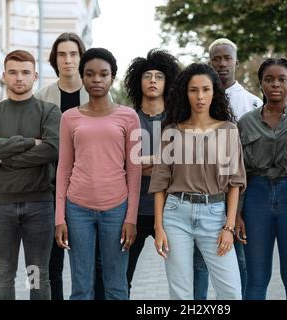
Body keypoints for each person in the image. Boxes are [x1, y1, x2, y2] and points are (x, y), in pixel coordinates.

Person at [149, 63, 246, 300]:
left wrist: (229, 227)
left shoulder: (228, 131)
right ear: (186, 93)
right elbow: (160, 183)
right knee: (180, 292)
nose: (200, 96)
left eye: (205, 89)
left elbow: (235, 183)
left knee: (231, 291)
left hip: (214, 215)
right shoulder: (171, 131)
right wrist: (159, 227)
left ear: (214, 92)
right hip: (175, 214)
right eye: (193, 90)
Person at [54, 48, 142, 300]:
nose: (96, 80)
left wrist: (131, 218)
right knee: (82, 287)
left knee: (116, 286)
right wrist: (60, 217)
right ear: (82, 77)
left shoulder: (129, 117)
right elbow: (64, 168)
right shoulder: (69, 118)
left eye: (103, 74)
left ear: (112, 77)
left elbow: (134, 172)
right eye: (90, 74)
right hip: (77, 209)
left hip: (117, 210)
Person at [0, 50, 61, 300]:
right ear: (4, 76)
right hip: (1, 205)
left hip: (39, 204)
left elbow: (52, 149)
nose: (19, 78)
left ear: (35, 76)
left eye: (25, 72)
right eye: (13, 72)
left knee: (36, 274)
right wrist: (29, 142)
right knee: (3, 274)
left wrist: (4, 154)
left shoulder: (49, 112)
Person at [35, 32, 105, 301]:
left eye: (73, 54)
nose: (68, 60)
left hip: (90, 189)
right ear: (55, 59)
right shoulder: (43, 97)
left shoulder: (96, 92)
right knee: (52, 263)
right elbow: (38, 144)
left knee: (93, 262)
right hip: (50, 187)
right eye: (62, 54)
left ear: (81, 56)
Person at [192, 37, 263, 300]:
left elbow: (250, 161)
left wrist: (240, 211)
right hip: (202, 194)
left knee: (239, 258)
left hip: (237, 196)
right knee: (199, 263)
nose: (222, 64)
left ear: (236, 61)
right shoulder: (196, 101)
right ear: (209, 62)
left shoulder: (252, 104)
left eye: (227, 58)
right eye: (216, 59)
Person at [237, 58, 287, 300]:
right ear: (261, 83)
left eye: (282, 79)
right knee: (256, 278)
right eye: (269, 79)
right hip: (256, 198)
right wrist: (236, 213)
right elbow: (239, 172)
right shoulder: (246, 122)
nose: (275, 84)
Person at [123, 49, 180, 296]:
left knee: (181, 280)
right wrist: (160, 161)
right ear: (139, 81)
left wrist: (140, 163)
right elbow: (123, 166)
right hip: (131, 211)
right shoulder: (127, 119)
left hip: (171, 212)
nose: (153, 80)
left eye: (159, 76)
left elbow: (178, 166)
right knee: (121, 279)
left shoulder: (178, 121)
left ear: (168, 82)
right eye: (148, 76)